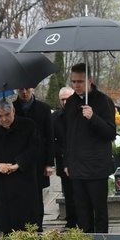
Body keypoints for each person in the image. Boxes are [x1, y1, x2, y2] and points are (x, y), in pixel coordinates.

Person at [64, 63, 116, 234]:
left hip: (96, 168)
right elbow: (68, 135)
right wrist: (67, 162)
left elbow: (110, 133)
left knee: (99, 211)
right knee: (82, 212)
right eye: (73, 81)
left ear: (90, 80)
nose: (76, 85)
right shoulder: (71, 102)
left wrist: (93, 117)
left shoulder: (103, 101)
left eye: (80, 81)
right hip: (77, 168)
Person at [0, 99, 40, 235]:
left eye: (7, 115)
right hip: (3, 182)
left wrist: (19, 164)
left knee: (27, 223)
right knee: (7, 224)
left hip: (24, 180)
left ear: (14, 111)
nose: (3, 119)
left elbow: (34, 148)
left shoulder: (28, 125)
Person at [13, 87, 54, 231]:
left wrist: (49, 163)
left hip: (38, 160)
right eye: (20, 89)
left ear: (33, 88)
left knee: (37, 197)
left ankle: (38, 227)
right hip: (18, 160)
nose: (24, 92)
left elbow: (49, 137)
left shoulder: (43, 108)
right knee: (20, 196)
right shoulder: (12, 108)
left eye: (27, 89)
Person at [52, 86, 77, 230]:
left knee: (80, 192)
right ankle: (71, 222)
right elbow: (51, 140)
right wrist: (62, 153)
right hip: (63, 159)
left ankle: (84, 220)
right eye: (62, 100)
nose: (65, 102)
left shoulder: (79, 115)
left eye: (68, 99)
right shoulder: (55, 117)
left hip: (79, 160)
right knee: (68, 192)